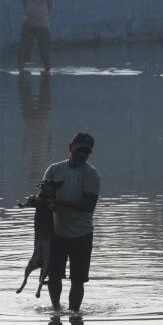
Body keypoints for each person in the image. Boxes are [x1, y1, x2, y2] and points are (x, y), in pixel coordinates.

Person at [42, 132, 99, 312]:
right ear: (71, 147)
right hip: (56, 233)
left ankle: (75, 315)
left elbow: (89, 206)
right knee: (54, 276)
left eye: (86, 152)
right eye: (79, 149)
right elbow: (44, 196)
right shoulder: (54, 170)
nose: (82, 154)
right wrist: (38, 201)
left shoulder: (91, 174)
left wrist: (60, 203)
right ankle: (56, 311)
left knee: (78, 279)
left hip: (81, 234)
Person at [17, 0, 54, 74]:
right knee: (23, 50)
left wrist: (42, 16)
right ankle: (21, 71)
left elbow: (50, 7)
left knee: (44, 51)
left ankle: (47, 71)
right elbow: (25, 4)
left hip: (42, 24)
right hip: (28, 23)